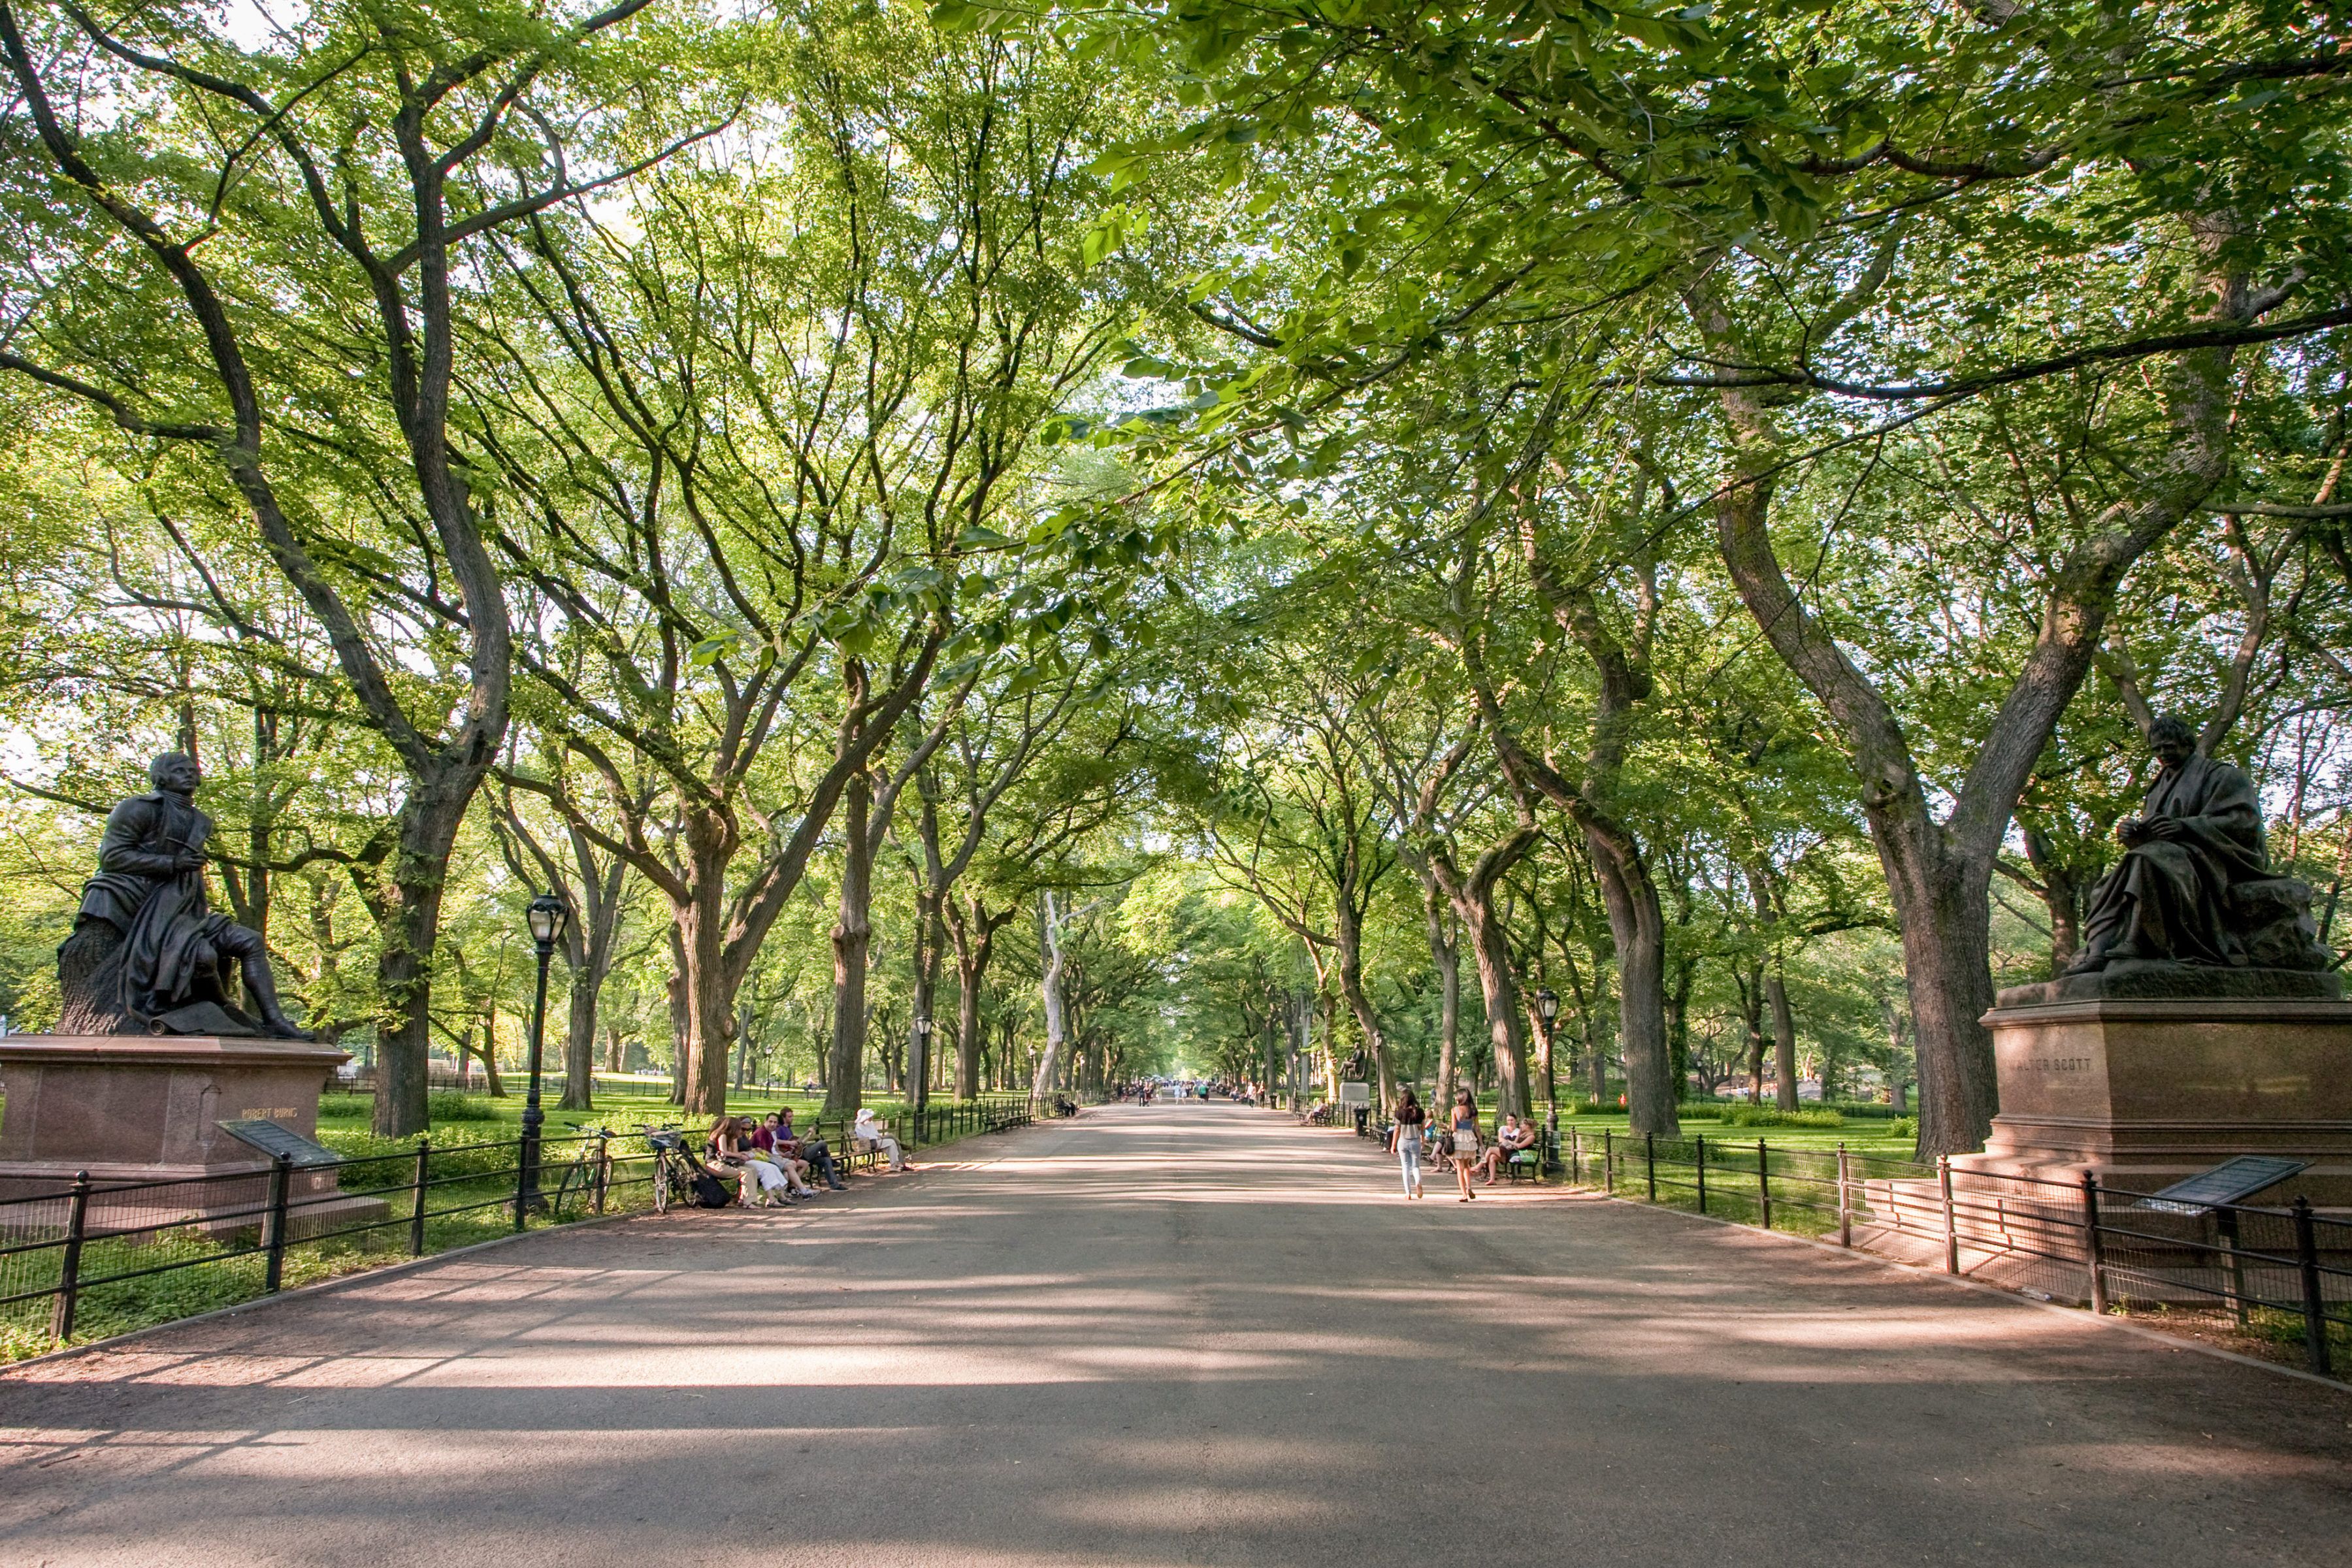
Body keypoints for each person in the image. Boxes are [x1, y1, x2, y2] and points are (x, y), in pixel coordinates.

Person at [708, 1115, 792, 1206]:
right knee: (747, 1172)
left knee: (752, 1169)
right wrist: (740, 1155)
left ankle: (748, 1199)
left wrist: (744, 1154)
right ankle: (748, 1202)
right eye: (740, 1128)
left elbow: (730, 1153)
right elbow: (723, 1152)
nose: (742, 1131)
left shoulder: (729, 1136)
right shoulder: (722, 1135)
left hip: (724, 1163)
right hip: (715, 1164)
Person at [780, 1107, 847, 1189]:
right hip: (800, 1155)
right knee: (822, 1143)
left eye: (792, 1116)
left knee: (826, 1160)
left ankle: (835, 1186)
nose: (792, 1118)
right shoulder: (780, 1129)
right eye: (790, 1117)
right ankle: (831, 1159)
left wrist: (809, 1135)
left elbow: (800, 1144)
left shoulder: (789, 1130)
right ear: (783, 1118)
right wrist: (789, 1145)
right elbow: (777, 1142)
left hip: (803, 1152)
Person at [752, 1113, 816, 1196]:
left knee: (793, 1164)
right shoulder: (761, 1132)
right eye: (770, 1121)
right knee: (790, 1165)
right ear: (766, 1121)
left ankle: (787, 1191)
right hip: (762, 1159)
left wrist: (784, 1155)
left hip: (772, 1157)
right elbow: (762, 1151)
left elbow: (776, 1149)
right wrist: (779, 1157)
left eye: (775, 1122)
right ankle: (800, 1191)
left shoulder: (772, 1132)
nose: (773, 1124)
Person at [1388, 1089, 1428, 1199]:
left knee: (1405, 1166)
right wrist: (1423, 1141)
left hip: (1403, 1141)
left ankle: (1408, 1193)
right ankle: (1418, 1182)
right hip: (1415, 1141)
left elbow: (1397, 1130)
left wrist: (1393, 1145)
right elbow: (1423, 1129)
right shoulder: (1420, 1112)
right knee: (1416, 1166)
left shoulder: (1400, 1113)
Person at [1446, 1089, 1482, 1201]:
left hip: (1459, 1138)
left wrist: (1448, 1127)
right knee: (1467, 1165)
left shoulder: (1455, 1110)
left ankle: (1464, 1194)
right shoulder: (1473, 1110)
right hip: (1470, 1138)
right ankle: (1469, 1187)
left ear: (1460, 1098)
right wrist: (1481, 1144)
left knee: (1459, 1168)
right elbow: (1477, 1128)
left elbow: (1454, 1128)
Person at [1482, 1113, 1538, 1184]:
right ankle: (1492, 1180)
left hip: (1517, 1154)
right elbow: (1515, 1142)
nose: (1520, 1126)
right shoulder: (1523, 1134)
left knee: (1490, 1149)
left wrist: (1509, 1142)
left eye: (1522, 1125)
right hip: (1512, 1152)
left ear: (1527, 1126)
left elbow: (1519, 1146)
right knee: (1492, 1157)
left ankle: (1480, 1166)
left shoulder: (1531, 1137)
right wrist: (1519, 1134)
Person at [852, 1107, 907, 1171]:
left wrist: (878, 1137)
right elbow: (866, 1137)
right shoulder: (859, 1126)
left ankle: (894, 1165)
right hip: (868, 1144)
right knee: (892, 1141)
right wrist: (877, 1138)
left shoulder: (867, 1124)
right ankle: (896, 1162)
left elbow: (874, 1133)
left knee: (891, 1146)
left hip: (875, 1141)